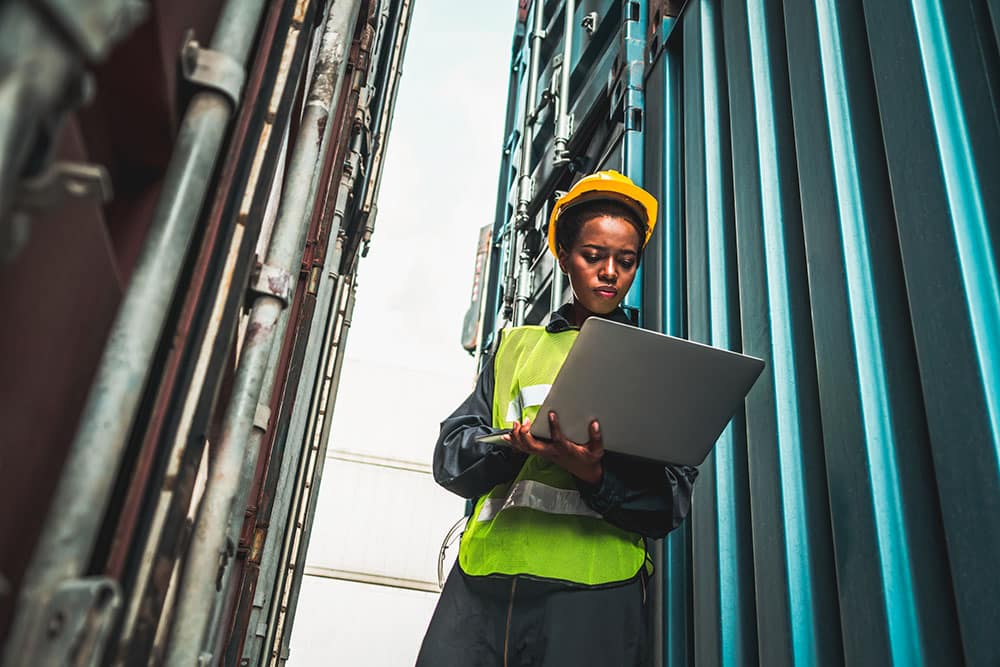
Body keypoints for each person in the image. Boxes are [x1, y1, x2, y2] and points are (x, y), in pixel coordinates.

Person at [416, 171, 698, 666]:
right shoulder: (515, 348)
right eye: (594, 256)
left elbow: (668, 501)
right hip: (485, 585)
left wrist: (595, 474)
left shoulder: (654, 362)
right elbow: (451, 456)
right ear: (564, 256)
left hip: (593, 593)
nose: (610, 272)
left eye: (626, 261)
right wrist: (511, 447)